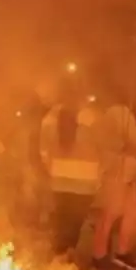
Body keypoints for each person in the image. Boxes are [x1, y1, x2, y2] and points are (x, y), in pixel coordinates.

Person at [38, 80, 104, 260]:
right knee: (75, 224)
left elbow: (43, 151)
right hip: (85, 181)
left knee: (61, 221)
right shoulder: (91, 117)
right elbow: (102, 147)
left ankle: (58, 259)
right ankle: (65, 259)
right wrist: (100, 174)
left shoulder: (50, 118)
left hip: (59, 179)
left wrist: (52, 169)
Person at [93, 89, 136, 270]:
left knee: (131, 212)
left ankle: (122, 252)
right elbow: (135, 142)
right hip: (119, 171)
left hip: (125, 171)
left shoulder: (114, 114)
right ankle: (100, 254)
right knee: (110, 213)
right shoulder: (121, 113)